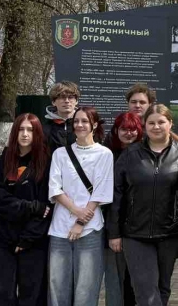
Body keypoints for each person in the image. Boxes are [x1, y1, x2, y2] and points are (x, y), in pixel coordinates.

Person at [109, 105, 178, 306]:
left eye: (161, 122)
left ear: (170, 123)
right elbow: (117, 194)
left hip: (170, 234)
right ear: (144, 126)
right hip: (135, 234)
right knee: (145, 291)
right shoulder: (130, 155)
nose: (156, 127)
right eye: (151, 123)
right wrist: (114, 232)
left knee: (163, 288)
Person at [48, 106, 114, 306]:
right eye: (76, 121)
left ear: (94, 124)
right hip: (60, 228)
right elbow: (55, 188)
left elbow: (101, 191)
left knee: (86, 286)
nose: (79, 125)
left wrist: (80, 221)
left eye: (85, 121)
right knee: (57, 285)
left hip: (90, 228)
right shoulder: (60, 154)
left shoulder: (104, 154)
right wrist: (75, 211)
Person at [0, 113, 52, 306]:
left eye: (30, 130)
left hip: (33, 240)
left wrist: (27, 238)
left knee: (32, 294)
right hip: (3, 237)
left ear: (37, 133)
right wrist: (32, 207)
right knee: (0, 293)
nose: (25, 134)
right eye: (21, 129)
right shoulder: (3, 161)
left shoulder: (46, 163)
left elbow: (47, 207)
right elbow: (1, 200)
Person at [103, 112, 144, 306]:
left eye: (132, 129)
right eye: (124, 129)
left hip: (139, 228)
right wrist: (114, 232)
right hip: (115, 227)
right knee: (117, 279)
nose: (128, 133)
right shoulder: (106, 155)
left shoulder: (146, 154)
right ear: (116, 131)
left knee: (137, 281)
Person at [43, 81, 80, 155]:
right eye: (62, 97)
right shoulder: (44, 128)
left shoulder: (85, 125)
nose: (67, 101)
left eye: (71, 97)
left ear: (76, 101)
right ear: (53, 102)